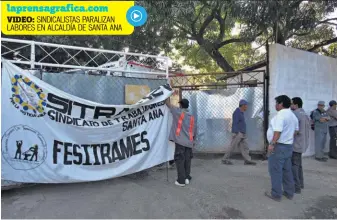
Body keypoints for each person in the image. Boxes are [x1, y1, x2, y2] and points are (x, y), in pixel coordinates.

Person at [265, 95, 299, 202]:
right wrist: (288, 138)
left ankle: (276, 194)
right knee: (286, 170)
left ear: (280, 104)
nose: (275, 105)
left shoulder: (280, 115)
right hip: (288, 146)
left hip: (278, 146)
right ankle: (289, 193)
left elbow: (277, 131)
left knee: (275, 170)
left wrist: (272, 144)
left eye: (276, 103)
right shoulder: (292, 115)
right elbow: (296, 131)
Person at [166, 98, 196, 187]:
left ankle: (181, 181)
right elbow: (194, 131)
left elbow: (167, 103)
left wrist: (167, 92)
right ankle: (187, 177)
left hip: (180, 141)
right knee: (187, 160)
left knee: (180, 160)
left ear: (181, 105)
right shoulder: (192, 117)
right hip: (189, 142)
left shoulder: (178, 112)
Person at [222, 99, 256, 165]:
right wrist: (235, 132)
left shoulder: (241, 112)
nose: (247, 107)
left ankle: (247, 160)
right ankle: (225, 159)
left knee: (245, 147)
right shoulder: (237, 112)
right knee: (232, 146)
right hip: (238, 133)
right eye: (246, 105)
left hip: (242, 133)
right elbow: (235, 123)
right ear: (242, 105)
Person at [291, 97, 310, 193]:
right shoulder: (305, 114)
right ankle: (301, 183)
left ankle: (296, 187)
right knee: (298, 165)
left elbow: (295, 130)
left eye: (291, 104)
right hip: (303, 143)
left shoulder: (295, 114)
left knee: (294, 165)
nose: (290, 106)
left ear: (296, 105)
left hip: (296, 144)